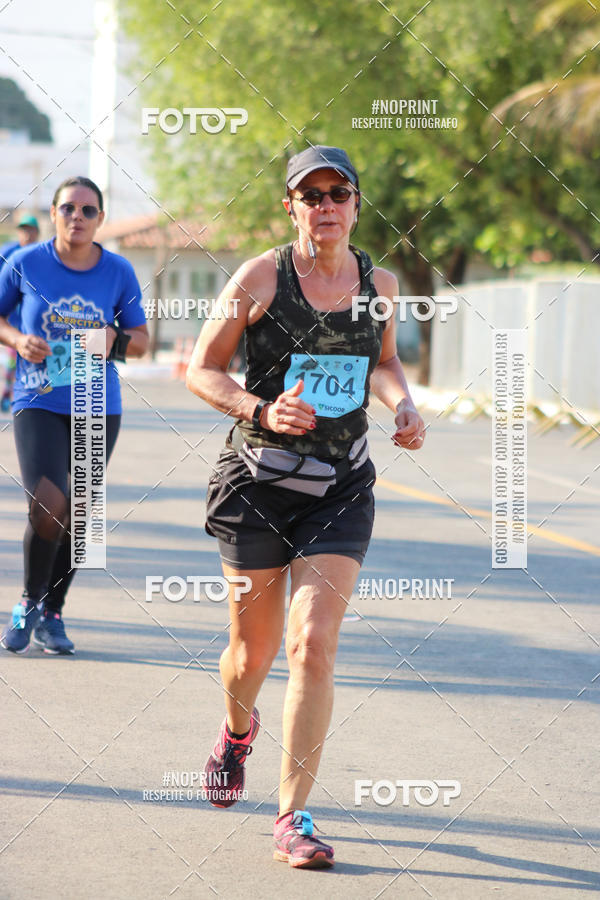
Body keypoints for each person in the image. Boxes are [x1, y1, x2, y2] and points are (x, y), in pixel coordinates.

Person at [186, 145, 425, 868]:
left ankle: (293, 817)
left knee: (312, 643)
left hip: (341, 487)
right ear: (290, 205)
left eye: (338, 192)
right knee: (250, 656)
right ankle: (235, 730)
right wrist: (261, 407)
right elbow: (201, 368)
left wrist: (403, 402)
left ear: (356, 204)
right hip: (256, 486)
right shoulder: (261, 277)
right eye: (310, 193)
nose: (325, 204)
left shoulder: (378, 282)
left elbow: (382, 360)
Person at [0, 176, 148, 655]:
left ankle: (53, 613)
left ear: (100, 219)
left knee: (81, 514)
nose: (77, 218)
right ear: (53, 214)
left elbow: (142, 340)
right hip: (38, 397)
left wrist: (116, 342)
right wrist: (18, 340)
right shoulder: (24, 263)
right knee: (49, 502)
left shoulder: (119, 271)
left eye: (87, 210)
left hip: (97, 403)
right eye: (68, 209)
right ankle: (28, 601)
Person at [0, 215, 40, 412]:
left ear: (37, 233)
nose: (27, 233)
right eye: (23, 229)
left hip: (30, 317)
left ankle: (18, 394)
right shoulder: (8, 252)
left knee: (21, 356)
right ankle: (8, 392)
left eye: (31, 230)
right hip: (8, 316)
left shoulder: (40, 255)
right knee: (13, 355)